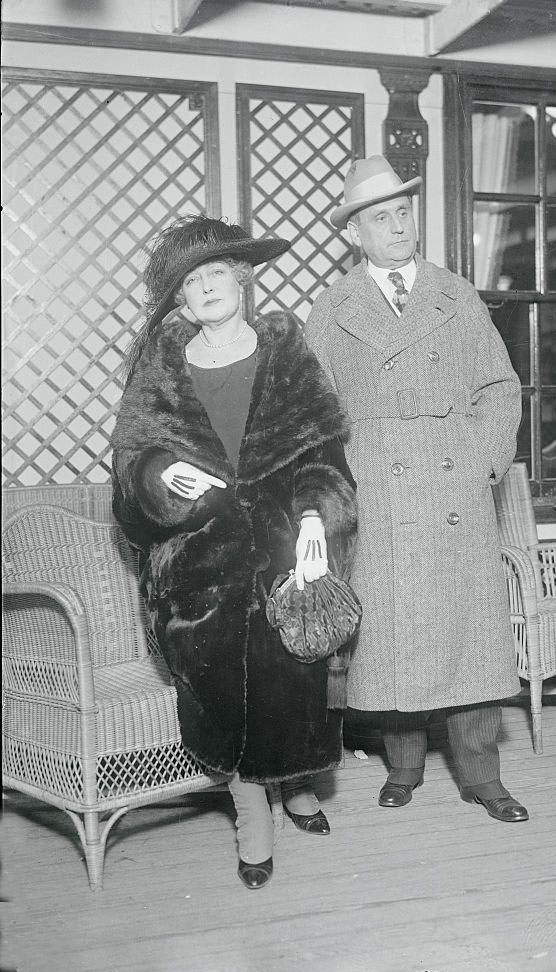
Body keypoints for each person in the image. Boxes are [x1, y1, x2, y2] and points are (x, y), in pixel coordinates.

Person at [111, 215, 357, 889]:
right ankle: (255, 817)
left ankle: (298, 784)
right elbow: (131, 470)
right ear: (181, 301)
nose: (207, 288)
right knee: (220, 697)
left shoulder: (286, 351)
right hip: (195, 568)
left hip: (284, 557)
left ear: (243, 280)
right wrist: (160, 477)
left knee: (293, 687)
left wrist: (314, 521)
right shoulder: (161, 371)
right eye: (192, 281)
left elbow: (324, 459)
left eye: (217, 272)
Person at [305, 156, 529, 823]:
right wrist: (338, 484)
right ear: (356, 233)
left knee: (470, 638)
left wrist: (483, 459)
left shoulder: (456, 293)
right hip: (379, 491)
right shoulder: (333, 307)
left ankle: (483, 777)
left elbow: (500, 387)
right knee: (394, 637)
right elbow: (314, 411)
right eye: (382, 217)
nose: (398, 226)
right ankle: (403, 768)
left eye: (404, 211)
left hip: (452, 484)